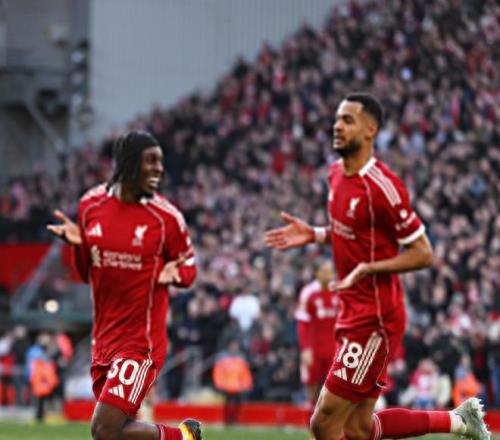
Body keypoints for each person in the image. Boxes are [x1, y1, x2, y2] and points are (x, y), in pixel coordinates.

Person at [265, 94, 490, 440]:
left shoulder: (383, 187)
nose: (338, 126)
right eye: (337, 119)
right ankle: (458, 421)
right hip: (352, 309)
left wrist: (369, 269)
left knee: (324, 423)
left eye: (348, 120)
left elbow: (423, 253)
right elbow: (351, 233)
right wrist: (316, 234)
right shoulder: (335, 174)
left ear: (371, 129)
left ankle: (459, 421)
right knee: (359, 428)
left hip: (375, 316)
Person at [47, 131, 202, 440]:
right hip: (104, 340)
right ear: (129, 163)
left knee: (104, 429)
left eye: (160, 162)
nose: (159, 169)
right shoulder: (91, 205)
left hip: (141, 342)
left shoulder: (166, 218)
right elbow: (85, 273)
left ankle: (184, 438)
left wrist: (176, 274)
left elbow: (189, 269)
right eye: (151, 161)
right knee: (119, 433)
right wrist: (79, 246)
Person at [295, 261, 338, 434]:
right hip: (314, 349)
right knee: (312, 392)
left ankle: (332, 430)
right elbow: (302, 323)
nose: (328, 275)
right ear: (317, 273)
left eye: (330, 271)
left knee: (334, 392)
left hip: (334, 349)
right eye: (324, 271)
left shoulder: (339, 290)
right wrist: (305, 348)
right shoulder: (308, 292)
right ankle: (312, 431)